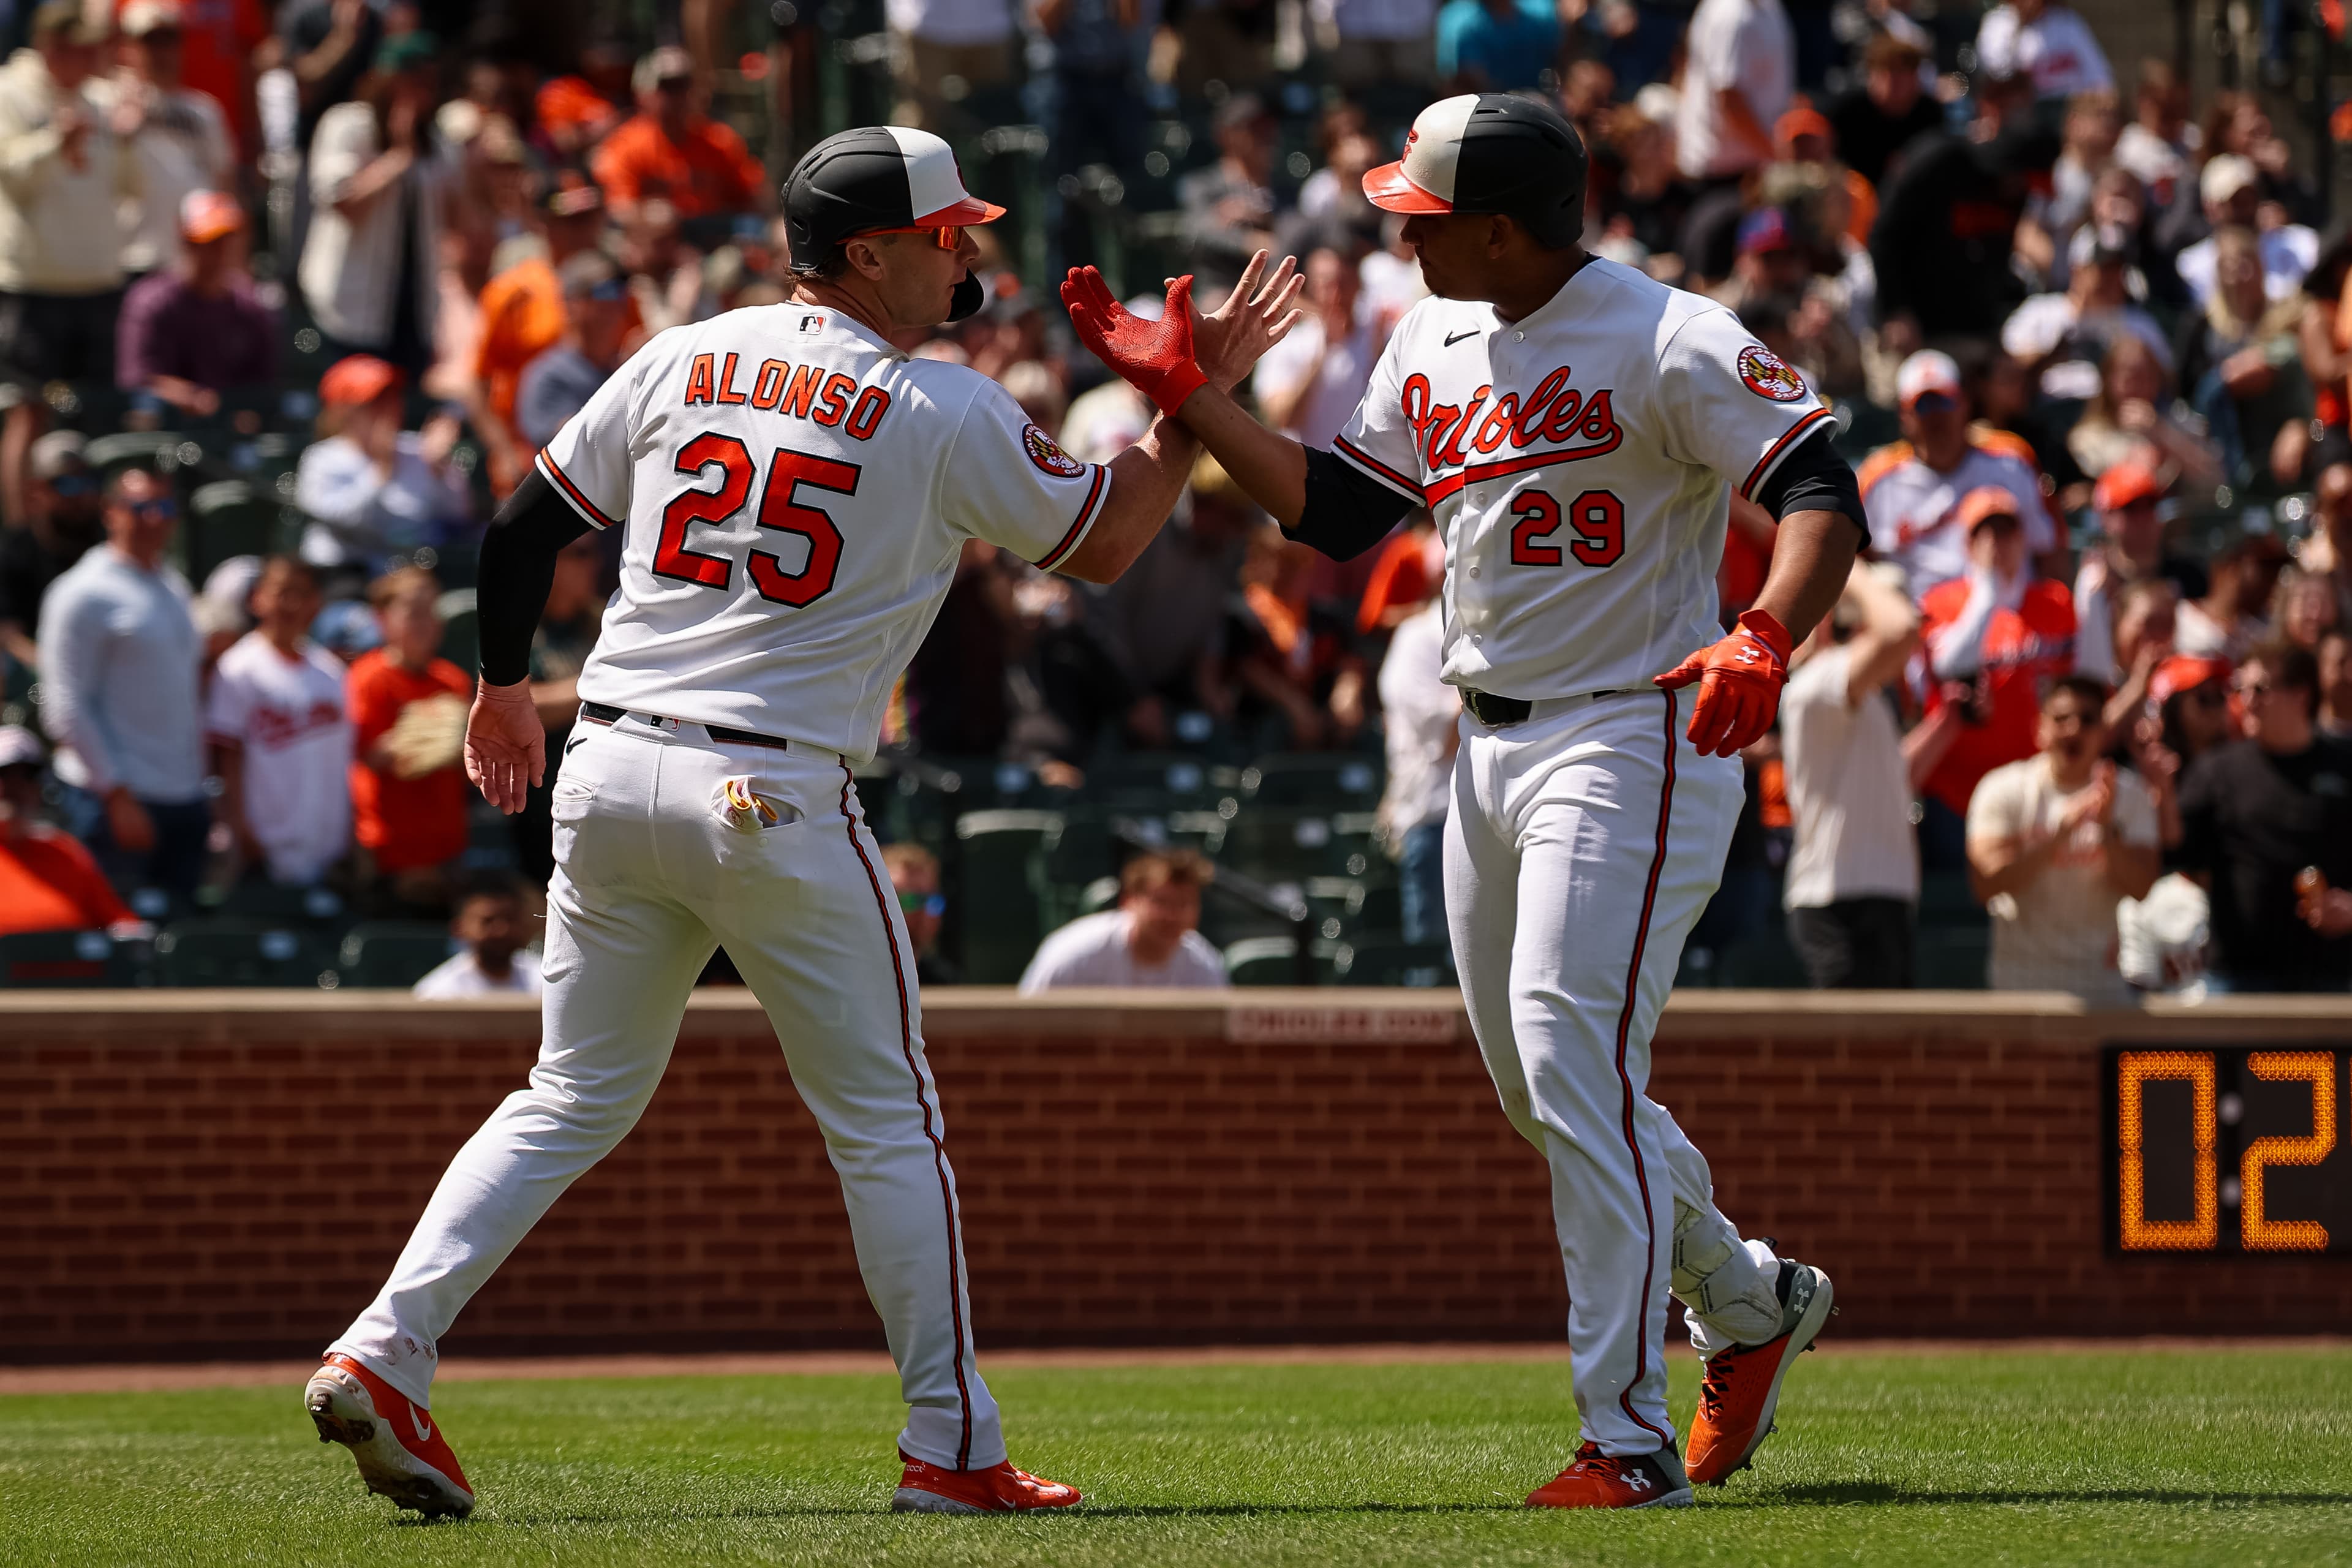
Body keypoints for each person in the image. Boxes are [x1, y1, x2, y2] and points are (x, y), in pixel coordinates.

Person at [304, 123, 1300, 1520]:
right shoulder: (939, 403)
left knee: (569, 1094)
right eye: (942, 233)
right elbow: (1115, 538)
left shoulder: (683, 353)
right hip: (769, 787)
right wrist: (1190, 399)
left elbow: (520, 530)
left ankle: (383, 1346)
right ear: (868, 253)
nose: (963, 251)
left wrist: (501, 691)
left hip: (610, 767)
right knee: (887, 1122)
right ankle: (951, 1444)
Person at [1065, 91, 1860, 1506]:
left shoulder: (1665, 330)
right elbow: (1335, 511)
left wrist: (1766, 631)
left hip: (1633, 728)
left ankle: (1623, 1437)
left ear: (1501, 227)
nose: (1403, 235)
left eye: (1426, 216)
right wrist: (1189, 400)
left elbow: (1820, 486)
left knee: (1567, 1054)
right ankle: (1749, 1298)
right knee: (1540, 1083)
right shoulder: (1430, 331)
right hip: (1483, 748)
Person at [36, 466, 206, 899]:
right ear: (110, 511)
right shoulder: (81, 593)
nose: (154, 518)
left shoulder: (173, 585)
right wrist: (116, 794)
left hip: (182, 795)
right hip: (114, 802)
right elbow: (64, 707)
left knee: (182, 931)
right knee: (122, 934)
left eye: (164, 507)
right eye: (140, 507)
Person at [0, 2, 135, 529]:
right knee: (29, 412)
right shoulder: (10, 92)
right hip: (35, 282)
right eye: (81, 48)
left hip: (97, 279)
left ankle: (95, 531)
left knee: (99, 415)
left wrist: (127, 138)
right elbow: (11, 178)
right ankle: (19, 541)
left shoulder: (102, 101)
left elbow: (129, 187)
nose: (91, 57)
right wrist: (54, 142)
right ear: (52, 47)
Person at [1965, 674, 2160, 1001]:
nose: (2074, 729)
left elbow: (2142, 887)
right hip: (2020, 988)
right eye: (2061, 719)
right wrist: (2056, 838)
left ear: (2104, 731)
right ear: (2039, 728)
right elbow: (1985, 884)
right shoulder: (2003, 789)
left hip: (2101, 992)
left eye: (2088, 719)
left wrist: (2107, 833)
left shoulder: (2131, 796)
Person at [2171, 641, 2352, 990]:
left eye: (2260, 689)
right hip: (2237, 980)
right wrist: (2162, 795)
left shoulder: (2345, 766)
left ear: (2300, 695)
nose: (2246, 701)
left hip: (2329, 982)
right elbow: (2176, 853)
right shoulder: (2217, 771)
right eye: (2239, 689)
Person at [1912, 488, 2078, 868]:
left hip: (2035, 791)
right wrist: (1987, 591)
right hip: (1957, 794)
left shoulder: (2055, 602)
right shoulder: (1940, 602)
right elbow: (1949, 667)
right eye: (1984, 534)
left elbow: (2082, 682)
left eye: (2006, 531)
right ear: (1968, 544)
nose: (1997, 544)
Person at [1779, 560, 1921, 987]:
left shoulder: (1866, 696)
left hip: (1881, 896)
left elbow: (1894, 780)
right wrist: (1848, 564)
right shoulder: (1816, 684)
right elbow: (1900, 630)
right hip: (1837, 902)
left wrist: (1949, 722)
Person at [297, 31, 446, 376]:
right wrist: (397, 158)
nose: (422, 94)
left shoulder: (436, 142)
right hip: (350, 309)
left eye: (428, 83)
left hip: (414, 313)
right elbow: (344, 205)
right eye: (413, 81)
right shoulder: (347, 125)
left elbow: (458, 216)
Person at [1858, 351, 2062, 596]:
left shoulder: (2012, 460)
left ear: (1964, 403)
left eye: (1944, 402)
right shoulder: (1877, 478)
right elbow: (1853, 565)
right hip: (1917, 614)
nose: (1937, 417)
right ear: (1905, 416)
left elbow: (2051, 548)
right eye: (1923, 406)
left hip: (2005, 613)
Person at [468, 177, 624, 492]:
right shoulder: (512, 290)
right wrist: (503, 451)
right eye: (571, 220)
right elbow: (478, 383)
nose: (584, 230)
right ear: (544, 224)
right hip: (528, 456)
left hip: (599, 453)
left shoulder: (614, 289)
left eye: (590, 217)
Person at [205, 556, 350, 888]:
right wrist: (240, 828)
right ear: (257, 598)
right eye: (282, 592)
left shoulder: (330, 672)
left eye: (302, 593)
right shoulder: (238, 668)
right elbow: (226, 761)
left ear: (316, 603)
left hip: (327, 845)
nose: (291, 603)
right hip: (265, 848)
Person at [345, 566, 471, 913]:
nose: (425, 623)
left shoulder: (452, 680)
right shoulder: (368, 677)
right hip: (388, 849)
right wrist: (426, 735)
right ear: (382, 619)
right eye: (414, 613)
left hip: (445, 848)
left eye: (431, 612)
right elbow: (369, 754)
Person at [91, 1, 235, 281]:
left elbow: (224, 186)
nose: (160, 52)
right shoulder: (105, 102)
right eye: (150, 41)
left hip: (194, 263)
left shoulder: (204, 110)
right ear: (127, 47)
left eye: (168, 40)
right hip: (131, 258)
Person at [295, 354, 473, 571]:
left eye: (392, 398)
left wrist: (440, 468)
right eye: (374, 402)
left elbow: (457, 515)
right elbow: (347, 523)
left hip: (417, 569)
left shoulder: (419, 449)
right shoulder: (322, 459)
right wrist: (381, 469)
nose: (387, 408)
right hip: (346, 571)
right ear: (344, 412)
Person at [114, 190, 279, 415]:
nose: (221, 252)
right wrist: (191, 397)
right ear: (186, 241)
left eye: (228, 240)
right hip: (166, 426)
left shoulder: (251, 308)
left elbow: (263, 386)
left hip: (232, 427)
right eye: (211, 242)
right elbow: (137, 381)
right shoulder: (152, 302)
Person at [1374, 560, 1457, 948]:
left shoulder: (1502, 635)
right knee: (1434, 965)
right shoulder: (1418, 637)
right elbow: (1445, 734)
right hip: (1435, 816)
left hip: (1500, 814)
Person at [589, 46, 766, 227]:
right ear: (642, 95)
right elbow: (620, 210)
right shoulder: (625, 145)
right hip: (658, 236)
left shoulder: (720, 141)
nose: (677, 97)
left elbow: (753, 197)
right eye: (667, 88)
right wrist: (654, 217)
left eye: (683, 86)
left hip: (713, 232)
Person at [2070, 461, 2206, 685]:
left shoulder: (2189, 573)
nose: (2143, 519)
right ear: (2106, 517)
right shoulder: (2095, 580)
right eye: (2131, 510)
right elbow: (2092, 669)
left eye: (2149, 506)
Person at [0, 723, 140, 936]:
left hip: (70, 958)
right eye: (4, 775)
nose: (15, 787)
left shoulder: (64, 851)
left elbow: (119, 921)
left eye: (28, 776)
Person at [1018, 850, 1227, 991]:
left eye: (1184, 904)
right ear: (1129, 901)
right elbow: (1025, 1026)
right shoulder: (1074, 955)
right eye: (1161, 902)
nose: (1173, 915)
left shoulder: (1205, 968)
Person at [1251, 246, 1379, 448]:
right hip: (1305, 462)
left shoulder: (1378, 337)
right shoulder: (1289, 343)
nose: (1336, 296)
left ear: (1358, 284)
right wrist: (1319, 360)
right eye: (1328, 285)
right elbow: (1282, 418)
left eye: (1344, 284)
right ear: (1312, 288)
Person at [0, 431, 102, 674]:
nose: (80, 495)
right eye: (66, 485)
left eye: (87, 482)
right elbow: (8, 634)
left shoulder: (105, 547)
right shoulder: (15, 553)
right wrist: (55, 667)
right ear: (36, 491)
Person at [516, 252, 634, 450]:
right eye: (604, 292)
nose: (615, 301)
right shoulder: (547, 375)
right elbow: (570, 443)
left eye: (620, 291)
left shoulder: (627, 368)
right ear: (572, 304)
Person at [2174, 154, 2318, 307]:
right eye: (2235, 202)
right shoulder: (2193, 267)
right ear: (2210, 208)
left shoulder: (2299, 244)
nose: (2245, 209)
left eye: (2250, 198)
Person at [1673, 0, 1793, 183]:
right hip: (1725, 175)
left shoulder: (1769, 6)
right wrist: (1776, 156)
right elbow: (1730, 101)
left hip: (1752, 165)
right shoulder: (1733, 17)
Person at [1825, 34, 1941, 190]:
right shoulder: (1847, 111)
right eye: (1888, 72)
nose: (1895, 82)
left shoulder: (1930, 113)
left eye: (1904, 72)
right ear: (1871, 75)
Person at [412, 875, 544, 997]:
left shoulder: (544, 978)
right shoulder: (438, 993)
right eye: (488, 921)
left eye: (510, 919)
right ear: (459, 928)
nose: (501, 930)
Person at [1973, 0, 2113, 99]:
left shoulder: (2068, 21)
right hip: (2025, 114)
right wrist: (2019, 23)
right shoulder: (1997, 23)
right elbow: (1997, 73)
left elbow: (2100, 78)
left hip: (2068, 107)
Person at [1436, 0, 1565, 95]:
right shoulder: (1465, 25)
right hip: (1491, 108)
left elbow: (1559, 61)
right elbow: (1472, 79)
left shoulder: (1540, 15)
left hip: (1542, 102)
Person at [882, 841, 959, 986]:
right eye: (909, 900)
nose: (922, 911)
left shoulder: (945, 982)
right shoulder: (854, 975)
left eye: (931, 900)